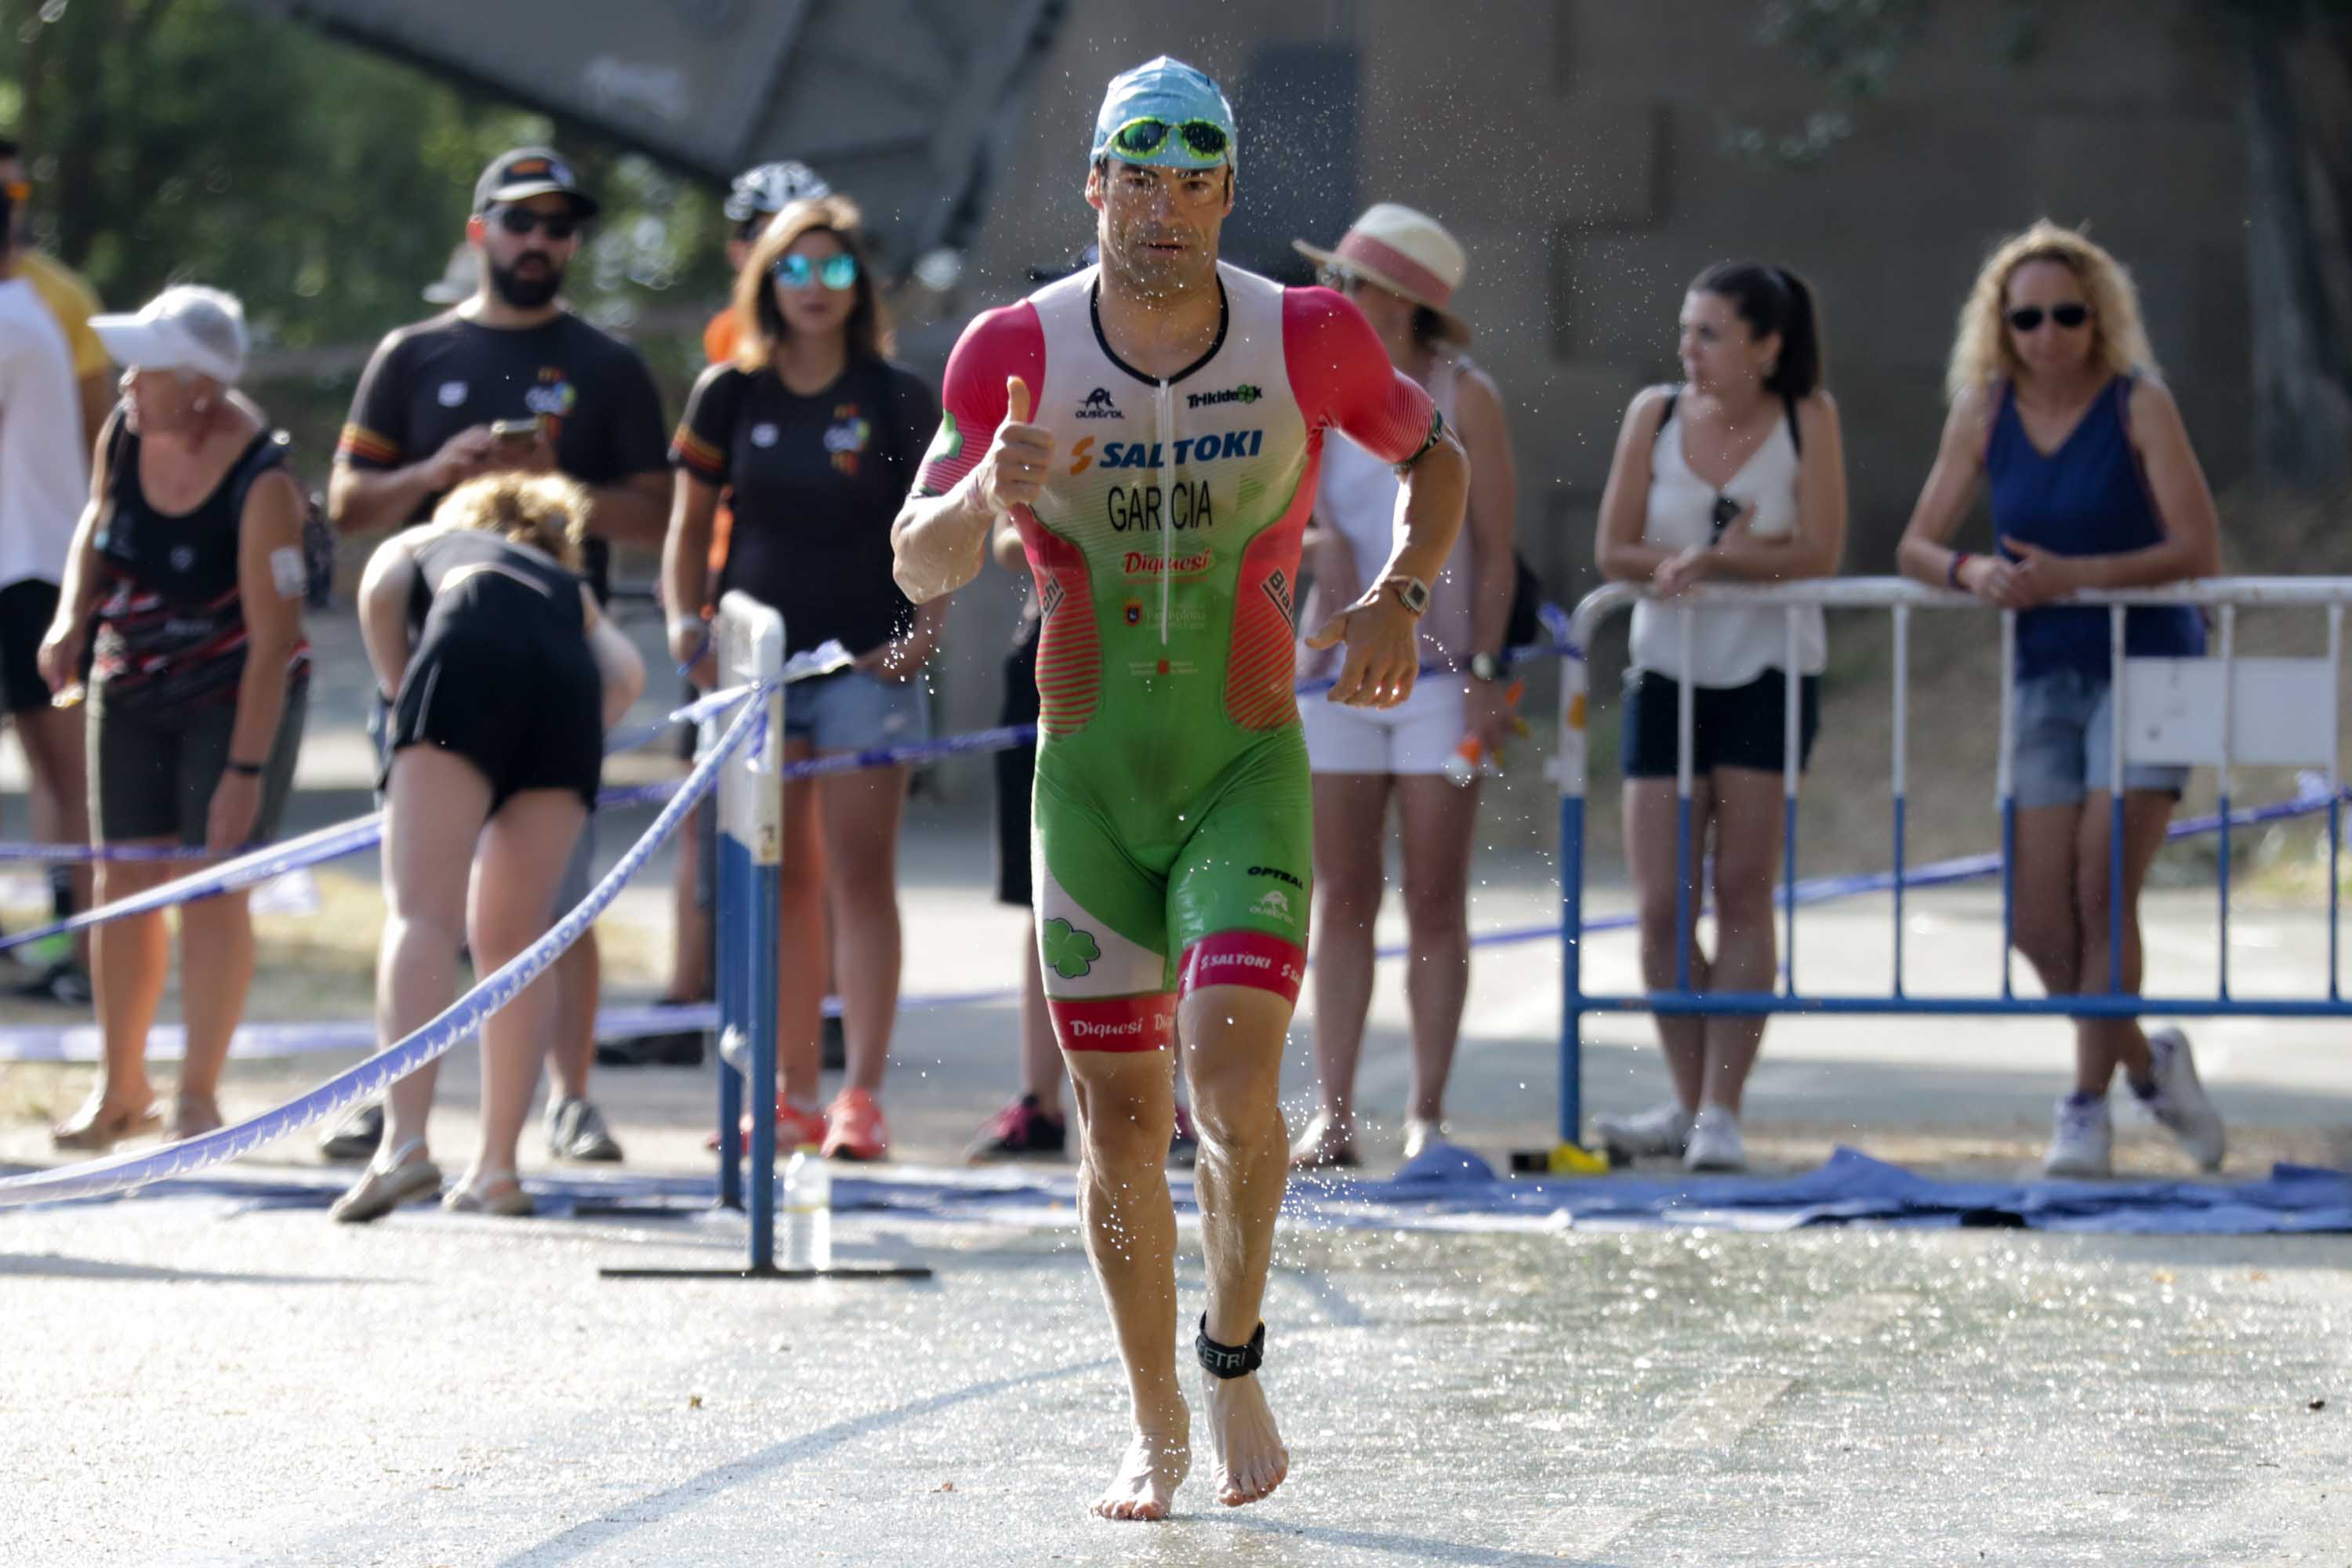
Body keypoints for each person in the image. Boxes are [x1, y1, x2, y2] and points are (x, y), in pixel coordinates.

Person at [892, 57, 1469, 1518]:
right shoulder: (1008, 350)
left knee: (1229, 1076)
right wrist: (987, 492)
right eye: (1133, 172)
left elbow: (1437, 456)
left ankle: (1233, 1351)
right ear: (1092, 185)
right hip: (1085, 778)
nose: (1161, 203)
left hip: (1243, 762)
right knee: (1119, 1122)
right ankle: (1154, 1420)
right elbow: (918, 560)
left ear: (1227, 191)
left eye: (1192, 173)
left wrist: (1403, 592)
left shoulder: (1310, 335)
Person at [321, 147, 671, 1167]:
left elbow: (656, 513)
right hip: (429, 656)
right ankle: (401, 1108)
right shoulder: (413, 354)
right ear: (481, 232)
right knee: (420, 902)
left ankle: (568, 1098)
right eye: (520, 222)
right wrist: (441, 471)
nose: (540, 242)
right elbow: (346, 506)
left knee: (554, 903)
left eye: (559, 226)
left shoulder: (607, 365)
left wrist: (552, 485)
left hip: (560, 658)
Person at [1895, 220, 2226, 1178]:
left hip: (2152, 660)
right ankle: (2150, 1067)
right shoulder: (1983, 409)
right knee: (2038, 921)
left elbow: (2196, 549)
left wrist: (2078, 573)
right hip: (2047, 668)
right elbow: (1918, 543)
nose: (2048, 333)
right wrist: (1971, 571)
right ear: (2000, 323)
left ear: (2100, 318)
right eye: (2028, 315)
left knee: (2100, 884)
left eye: (2068, 314)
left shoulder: (2138, 404)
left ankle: (2085, 1102)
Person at [665, 192, 944, 1161]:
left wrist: (924, 632)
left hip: (865, 662)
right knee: (776, 880)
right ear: (765, 282)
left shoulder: (896, 394)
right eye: (796, 268)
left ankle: (861, 1096)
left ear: (857, 283)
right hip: (756, 672)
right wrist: (684, 625)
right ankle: (787, 1094)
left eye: (834, 269)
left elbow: (946, 521)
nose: (815, 287)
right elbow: (690, 526)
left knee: (860, 877)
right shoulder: (728, 392)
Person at [1588, 262, 1848, 1174]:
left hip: (1770, 670)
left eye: (1710, 333)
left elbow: (1820, 548)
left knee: (1743, 886)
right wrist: (1684, 562)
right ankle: (1687, 1095)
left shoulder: (1806, 416)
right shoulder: (1652, 413)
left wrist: (1731, 563)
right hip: (1667, 665)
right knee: (1661, 903)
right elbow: (1613, 545)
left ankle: (1723, 1112)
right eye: (1686, 331)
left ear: (1766, 346)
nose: (1689, 351)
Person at [332, 473, 644, 1221]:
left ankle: (404, 1144)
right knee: (517, 940)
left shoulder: (432, 538)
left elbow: (379, 591)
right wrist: (556, 749)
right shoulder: (567, 587)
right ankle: (497, 1168)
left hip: (463, 657)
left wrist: (402, 691)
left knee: (422, 917)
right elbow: (627, 676)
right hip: (566, 694)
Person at [38, 287, 308, 1148]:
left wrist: (245, 771)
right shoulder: (127, 432)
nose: (126, 386)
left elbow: (275, 643)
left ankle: (198, 1094)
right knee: (123, 881)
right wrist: (72, 616)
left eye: (145, 371)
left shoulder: (263, 479)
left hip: (233, 691)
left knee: (212, 883)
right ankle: (120, 1088)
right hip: (131, 679)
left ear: (199, 386)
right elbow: (97, 520)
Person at [1283, 203, 1518, 1170]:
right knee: (1339, 892)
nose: (1336, 295)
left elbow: (1498, 551)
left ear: (1404, 303)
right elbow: (1277, 515)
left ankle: (1427, 1109)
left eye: (1355, 282)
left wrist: (1491, 676)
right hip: (1330, 667)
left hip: (1439, 671)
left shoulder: (1466, 396)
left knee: (1434, 892)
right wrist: (1318, 543)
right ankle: (1331, 1110)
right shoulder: (1310, 389)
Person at [615, 159, 837, 1073]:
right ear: (744, 250)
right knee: (705, 809)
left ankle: (814, 998)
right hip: (724, 608)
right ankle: (687, 988)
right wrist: (687, 614)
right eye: (766, 237)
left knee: (811, 811)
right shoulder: (730, 343)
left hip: (808, 612)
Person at [0, 140, 105, 1002]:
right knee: (61, 765)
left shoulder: (27, 310)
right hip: (31, 560)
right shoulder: (27, 309)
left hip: (29, 562)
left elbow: (100, 422)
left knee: (65, 767)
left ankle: (73, 942)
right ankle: (61, 939)